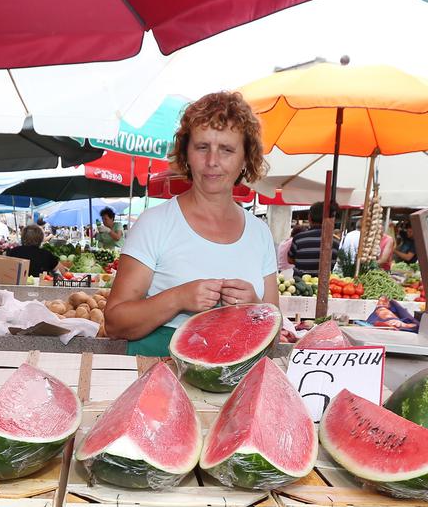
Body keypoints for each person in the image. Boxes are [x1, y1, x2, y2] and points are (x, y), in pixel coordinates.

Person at [105, 91, 279, 355]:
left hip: (235, 387)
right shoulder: (154, 224)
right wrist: (178, 298)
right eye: (202, 147)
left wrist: (255, 307)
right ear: (186, 153)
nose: (212, 162)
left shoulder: (260, 233)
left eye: (227, 150)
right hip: (158, 380)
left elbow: (273, 336)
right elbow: (115, 323)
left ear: (245, 159)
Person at [288, 202, 339, 277]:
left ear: (309, 218)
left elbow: (290, 260)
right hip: (325, 285)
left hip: (300, 284)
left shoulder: (299, 238)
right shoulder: (335, 241)